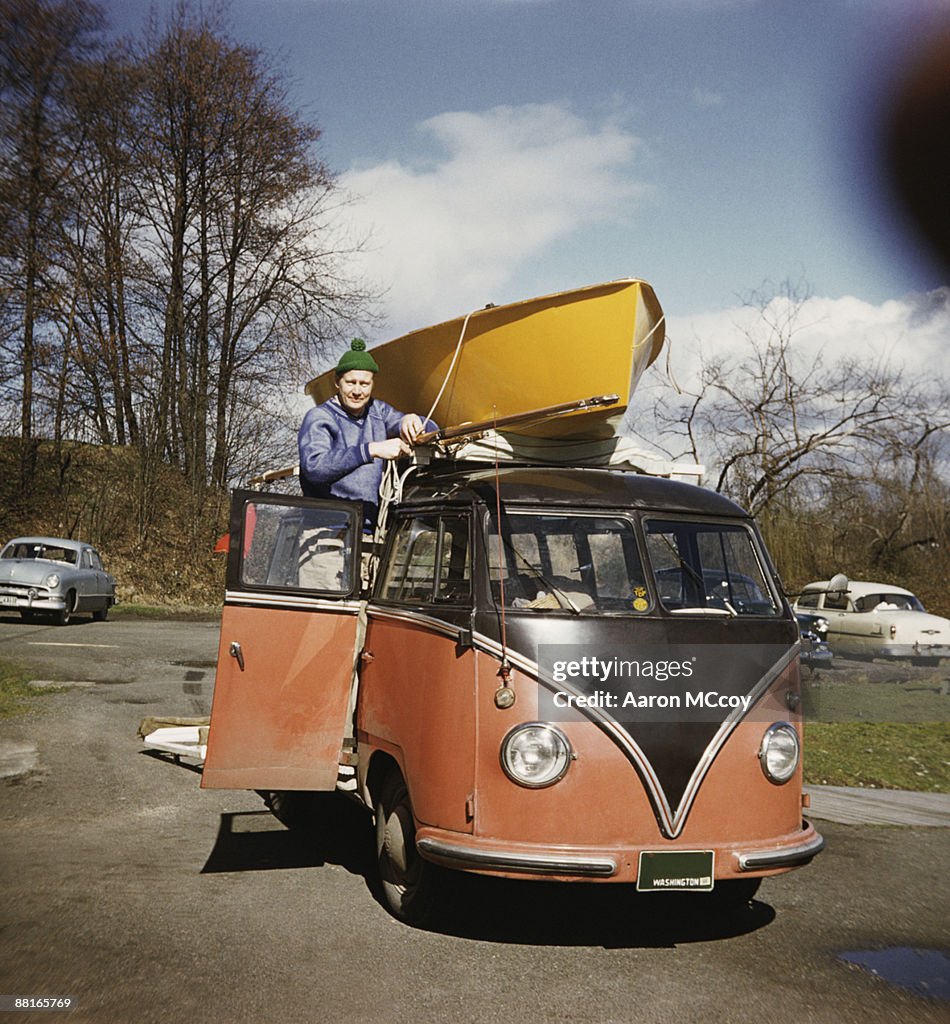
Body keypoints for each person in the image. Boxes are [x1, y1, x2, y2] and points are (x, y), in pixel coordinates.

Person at [297, 338, 435, 532]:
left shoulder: (378, 412)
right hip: (326, 534)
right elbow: (314, 468)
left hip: (369, 533)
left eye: (364, 384)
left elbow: (431, 426)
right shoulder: (320, 417)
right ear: (337, 382)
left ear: (372, 384)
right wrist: (371, 450)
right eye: (351, 383)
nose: (357, 391)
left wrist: (412, 420)